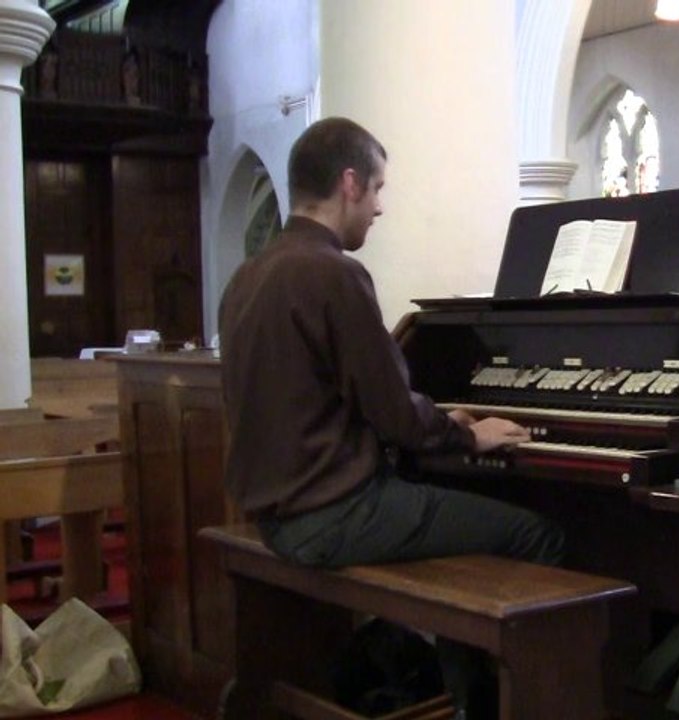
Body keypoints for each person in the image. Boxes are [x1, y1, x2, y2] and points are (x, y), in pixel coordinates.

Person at [217, 116, 564, 719]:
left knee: (457, 525)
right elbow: (393, 412)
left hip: (277, 512)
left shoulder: (248, 276)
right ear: (349, 183)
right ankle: (495, 709)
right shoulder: (334, 272)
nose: (379, 207)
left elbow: (337, 398)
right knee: (537, 534)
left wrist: (434, 423)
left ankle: (468, 702)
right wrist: (466, 433)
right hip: (333, 515)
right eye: (377, 190)